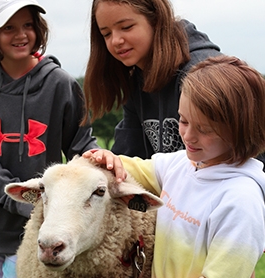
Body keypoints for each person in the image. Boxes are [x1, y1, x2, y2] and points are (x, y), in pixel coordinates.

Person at [83, 55, 265, 278]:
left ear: (241, 129)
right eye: (183, 120)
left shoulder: (241, 201)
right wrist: (107, 159)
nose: (188, 136)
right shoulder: (181, 164)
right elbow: (127, 170)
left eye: (204, 129)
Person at [0, 0, 98, 278]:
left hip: (43, 227)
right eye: (8, 27)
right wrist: (15, 199)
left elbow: (81, 146)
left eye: (28, 25)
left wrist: (104, 163)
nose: (21, 34)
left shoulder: (60, 84)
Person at [83, 0, 222, 159]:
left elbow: (227, 160)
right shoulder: (137, 78)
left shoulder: (202, 75)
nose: (116, 41)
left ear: (156, 19)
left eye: (126, 27)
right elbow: (129, 156)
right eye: (106, 34)